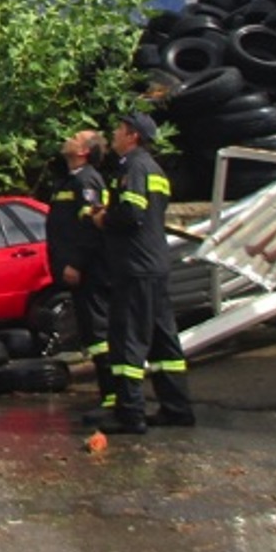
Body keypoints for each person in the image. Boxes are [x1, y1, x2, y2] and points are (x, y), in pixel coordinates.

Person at [92, 110, 195, 435]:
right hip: (155, 265)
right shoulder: (156, 170)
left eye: (118, 130)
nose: (113, 135)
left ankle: (130, 414)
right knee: (165, 342)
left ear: (132, 135)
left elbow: (133, 213)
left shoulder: (133, 167)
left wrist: (103, 219)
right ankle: (177, 408)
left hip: (134, 268)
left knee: (128, 340)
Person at [46, 129, 114, 416]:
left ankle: (113, 396)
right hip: (77, 270)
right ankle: (109, 393)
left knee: (100, 334)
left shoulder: (87, 181)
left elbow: (91, 230)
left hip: (90, 272)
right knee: (91, 332)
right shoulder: (71, 180)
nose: (68, 138)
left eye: (75, 137)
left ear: (84, 151)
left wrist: (77, 263)